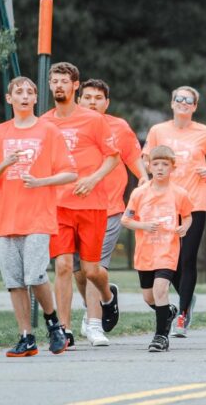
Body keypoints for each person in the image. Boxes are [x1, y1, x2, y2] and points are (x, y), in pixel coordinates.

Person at [0, 77, 76, 357]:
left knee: (34, 276)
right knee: (14, 282)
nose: (24, 96)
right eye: (18, 92)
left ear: (35, 99)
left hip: (38, 216)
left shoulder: (48, 131)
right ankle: (26, 337)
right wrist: (5, 164)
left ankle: (54, 324)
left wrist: (42, 181)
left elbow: (71, 173)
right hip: (7, 218)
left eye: (30, 92)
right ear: (9, 99)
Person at [42, 62, 121, 347]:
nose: (59, 85)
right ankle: (64, 329)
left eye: (64, 81)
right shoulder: (45, 122)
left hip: (92, 204)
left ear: (76, 85)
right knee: (63, 266)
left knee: (91, 271)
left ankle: (107, 296)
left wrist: (93, 179)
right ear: (50, 85)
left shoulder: (93, 120)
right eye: (55, 81)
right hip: (59, 205)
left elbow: (113, 157)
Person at [74, 79, 148, 346]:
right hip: (74, 208)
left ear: (107, 103)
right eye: (87, 97)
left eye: (98, 98)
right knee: (80, 272)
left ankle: (94, 325)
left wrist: (144, 180)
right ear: (79, 100)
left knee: (93, 266)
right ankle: (105, 298)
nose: (92, 102)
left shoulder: (119, 127)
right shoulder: (71, 126)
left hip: (109, 209)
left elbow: (134, 160)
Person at [143, 86, 206, 337]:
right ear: (172, 103)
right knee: (168, 261)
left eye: (189, 100)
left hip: (194, 203)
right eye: (179, 99)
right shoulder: (158, 131)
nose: (183, 103)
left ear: (194, 107)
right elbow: (146, 159)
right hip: (164, 204)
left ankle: (183, 313)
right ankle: (187, 296)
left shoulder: (205, 132)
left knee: (186, 258)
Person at [121, 145, 193, 352]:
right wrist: (143, 226)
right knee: (149, 297)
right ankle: (168, 313)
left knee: (160, 289)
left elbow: (188, 215)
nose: (160, 168)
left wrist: (184, 227)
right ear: (149, 166)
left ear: (172, 168)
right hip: (145, 252)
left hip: (167, 251)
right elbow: (126, 220)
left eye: (165, 164)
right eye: (156, 164)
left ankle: (160, 336)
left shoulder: (180, 193)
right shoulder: (139, 193)